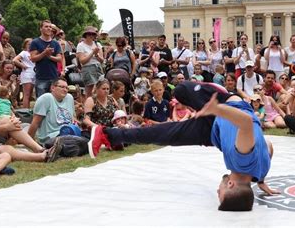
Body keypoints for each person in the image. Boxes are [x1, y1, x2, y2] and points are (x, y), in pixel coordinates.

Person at [88, 81, 279, 211]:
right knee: (179, 90)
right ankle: (216, 90)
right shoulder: (242, 159)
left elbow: (268, 146)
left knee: (163, 135)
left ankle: (106, 134)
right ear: (231, 184)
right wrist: (217, 108)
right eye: (220, 193)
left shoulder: (258, 169)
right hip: (224, 105)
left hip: (213, 133)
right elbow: (246, 123)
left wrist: (261, 179)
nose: (217, 191)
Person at [0, 80, 60, 163]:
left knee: (8, 121)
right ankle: (43, 156)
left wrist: (9, 123)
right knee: (4, 150)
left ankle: (39, 149)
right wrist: (6, 127)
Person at [27, 78, 81, 158]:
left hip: (69, 133)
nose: (65, 90)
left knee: (85, 137)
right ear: (52, 88)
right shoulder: (46, 98)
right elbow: (35, 122)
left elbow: (72, 119)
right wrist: (29, 143)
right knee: (73, 142)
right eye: (62, 87)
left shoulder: (69, 98)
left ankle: (62, 150)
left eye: (67, 88)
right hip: (51, 137)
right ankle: (55, 150)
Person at [29, 20, 63, 97]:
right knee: (42, 102)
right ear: (41, 29)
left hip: (54, 77)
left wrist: (49, 56)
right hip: (41, 77)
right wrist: (44, 53)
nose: (49, 28)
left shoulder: (55, 43)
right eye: (46, 26)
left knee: (54, 101)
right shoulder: (35, 42)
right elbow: (33, 58)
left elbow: (59, 59)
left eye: (50, 27)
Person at [76, 26, 104, 98]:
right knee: (89, 91)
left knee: (100, 88)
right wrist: (92, 53)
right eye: (89, 34)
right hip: (88, 68)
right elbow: (82, 61)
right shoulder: (80, 45)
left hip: (98, 68)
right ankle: (88, 107)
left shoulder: (98, 45)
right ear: (85, 35)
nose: (91, 36)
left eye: (93, 34)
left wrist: (96, 55)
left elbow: (102, 60)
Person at [13, 38, 36, 108]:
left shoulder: (34, 53)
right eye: (29, 44)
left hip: (34, 73)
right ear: (25, 45)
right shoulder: (24, 53)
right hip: (27, 73)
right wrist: (22, 65)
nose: (30, 45)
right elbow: (15, 60)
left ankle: (29, 109)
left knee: (31, 94)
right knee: (26, 94)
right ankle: (25, 110)